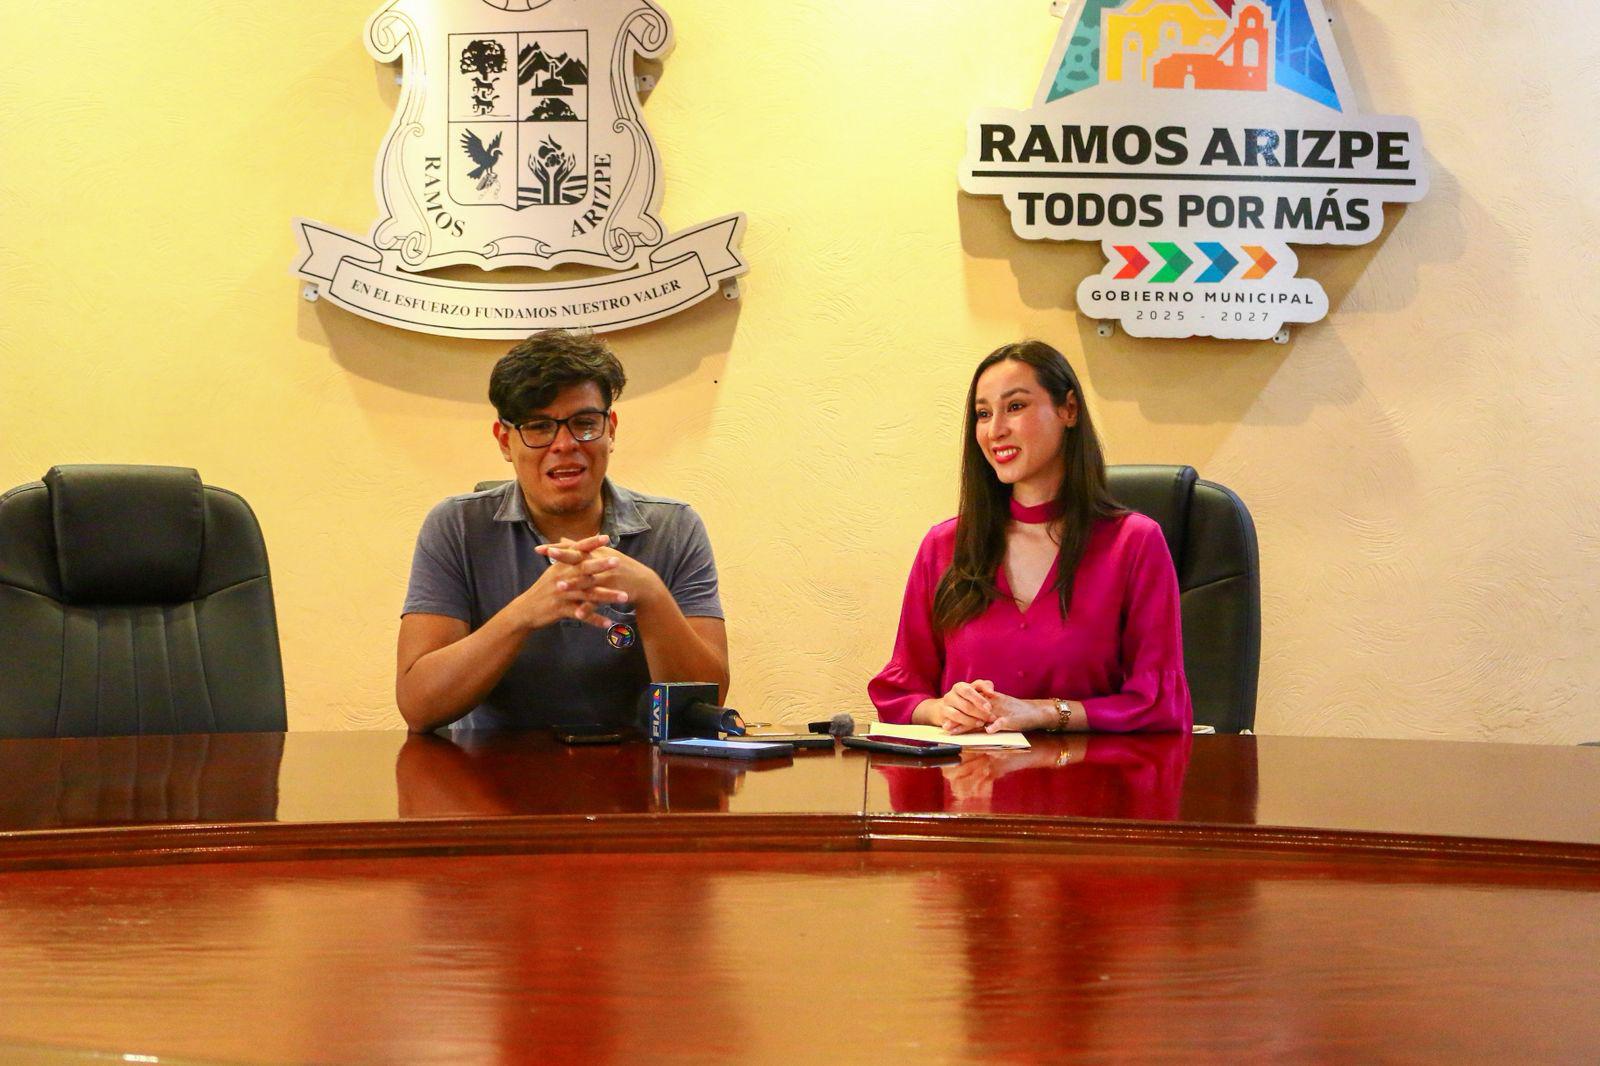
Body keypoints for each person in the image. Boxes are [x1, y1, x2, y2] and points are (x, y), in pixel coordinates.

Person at [397, 329, 729, 732]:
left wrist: (651, 594)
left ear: (611, 429)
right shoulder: (456, 526)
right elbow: (419, 707)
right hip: (489, 767)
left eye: (584, 423)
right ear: (504, 441)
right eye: (539, 427)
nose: (565, 444)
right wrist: (523, 614)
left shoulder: (675, 528)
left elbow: (706, 704)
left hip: (637, 766)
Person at [869, 340, 1191, 734]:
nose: (995, 430)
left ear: (1068, 409)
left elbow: (1159, 705)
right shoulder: (944, 546)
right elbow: (901, 694)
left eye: (1015, 406)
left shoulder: (1135, 543)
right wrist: (942, 710)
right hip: (971, 771)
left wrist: (1045, 712)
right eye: (983, 414)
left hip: (1090, 773)